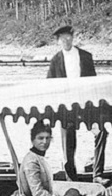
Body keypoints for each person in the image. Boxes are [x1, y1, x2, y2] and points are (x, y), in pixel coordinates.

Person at [46, 25, 108, 181]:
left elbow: (94, 83)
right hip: (66, 109)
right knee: (68, 143)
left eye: (68, 37)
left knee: (101, 132)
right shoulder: (55, 61)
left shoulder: (86, 57)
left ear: (73, 38)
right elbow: (49, 86)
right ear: (58, 41)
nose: (66, 40)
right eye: (62, 38)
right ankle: (71, 178)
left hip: (86, 107)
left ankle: (98, 174)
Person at [3, 121, 92, 196]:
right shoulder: (31, 161)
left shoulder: (39, 158)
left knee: (73, 192)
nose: (45, 142)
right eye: (40, 138)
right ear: (33, 140)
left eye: (47, 138)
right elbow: (38, 194)